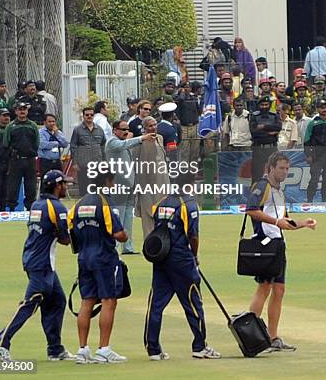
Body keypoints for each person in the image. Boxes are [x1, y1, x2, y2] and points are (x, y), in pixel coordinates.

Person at [0, 170, 74, 362]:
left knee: (57, 300)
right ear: (56, 186)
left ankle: (55, 349)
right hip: (41, 264)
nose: (66, 187)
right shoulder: (57, 207)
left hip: (35, 260)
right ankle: (0, 343)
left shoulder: (37, 204)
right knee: (31, 303)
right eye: (64, 184)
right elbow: (65, 239)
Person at [143, 174, 221, 361]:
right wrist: (194, 256)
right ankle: (200, 346)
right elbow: (193, 235)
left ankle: (153, 349)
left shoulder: (161, 203)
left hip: (161, 258)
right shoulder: (189, 205)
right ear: (189, 185)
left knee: (156, 304)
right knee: (193, 302)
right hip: (181, 260)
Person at [247, 152, 317, 351]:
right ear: (271, 168)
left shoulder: (279, 191)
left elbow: (285, 221)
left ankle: (272, 337)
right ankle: (251, 336)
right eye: (281, 168)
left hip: (278, 245)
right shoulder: (262, 186)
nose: (285, 172)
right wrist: (276, 221)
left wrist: (304, 223)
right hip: (265, 244)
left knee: (279, 290)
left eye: (287, 168)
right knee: (264, 288)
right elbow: (251, 210)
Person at [68, 169, 128, 364]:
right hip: (103, 258)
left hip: (84, 258)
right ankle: (104, 349)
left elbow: (71, 232)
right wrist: (123, 235)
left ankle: (83, 350)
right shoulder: (104, 204)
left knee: (87, 302)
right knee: (109, 301)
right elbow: (119, 234)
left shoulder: (78, 204)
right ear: (107, 182)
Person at [105, 120, 156, 253]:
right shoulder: (112, 142)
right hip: (118, 185)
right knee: (119, 217)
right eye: (123, 129)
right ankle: (114, 247)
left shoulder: (123, 142)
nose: (126, 131)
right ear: (114, 130)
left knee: (128, 217)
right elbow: (124, 144)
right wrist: (141, 138)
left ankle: (127, 247)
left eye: (127, 129)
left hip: (129, 184)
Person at [132, 116, 169, 239]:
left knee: (163, 214)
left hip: (162, 182)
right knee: (148, 216)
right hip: (146, 183)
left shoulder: (160, 138)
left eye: (155, 125)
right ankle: (150, 244)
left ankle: (163, 242)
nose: (153, 128)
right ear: (144, 128)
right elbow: (136, 163)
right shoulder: (139, 141)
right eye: (150, 126)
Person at [4, 102, 40, 211]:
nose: (22, 111)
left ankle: (30, 211)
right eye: (20, 109)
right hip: (16, 161)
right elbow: (6, 143)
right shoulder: (10, 126)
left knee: (31, 188)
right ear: (16, 111)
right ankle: (11, 210)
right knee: (13, 187)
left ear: (27, 111)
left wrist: (31, 151)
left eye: (24, 109)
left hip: (30, 161)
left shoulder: (33, 125)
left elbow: (37, 142)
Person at [70, 107, 106, 196]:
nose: (89, 116)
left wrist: (105, 162)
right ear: (83, 116)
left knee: (97, 189)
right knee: (84, 189)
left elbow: (103, 146)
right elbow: (73, 147)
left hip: (97, 164)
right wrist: (74, 163)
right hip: (83, 164)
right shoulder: (77, 130)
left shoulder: (100, 129)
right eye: (87, 115)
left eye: (91, 115)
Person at [249, 97, 282, 183]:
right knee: (256, 174)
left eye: (266, 104)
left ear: (269, 105)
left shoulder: (275, 115)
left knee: (274, 173)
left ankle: (274, 194)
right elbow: (254, 132)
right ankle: (255, 194)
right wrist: (270, 132)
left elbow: (278, 127)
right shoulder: (254, 116)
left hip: (272, 148)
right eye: (262, 105)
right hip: (258, 149)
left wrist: (263, 127)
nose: (264, 107)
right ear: (259, 106)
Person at [304, 98, 326, 202]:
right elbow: (307, 140)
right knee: (314, 179)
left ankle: (324, 201)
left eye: (325, 107)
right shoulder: (313, 123)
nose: (324, 109)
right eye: (321, 107)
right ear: (317, 109)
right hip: (316, 155)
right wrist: (308, 155)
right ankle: (309, 201)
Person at [175, 82, 200, 164]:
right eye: (185, 87)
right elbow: (180, 101)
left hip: (194, 125)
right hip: (184, 127)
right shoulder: (179, 99)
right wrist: (181, 93)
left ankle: (194, 170)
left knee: (195, 150)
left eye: (189, 87)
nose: (187, 89)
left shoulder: (193, 98)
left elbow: (198, 110)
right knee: (184, 150)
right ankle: (184, 171)